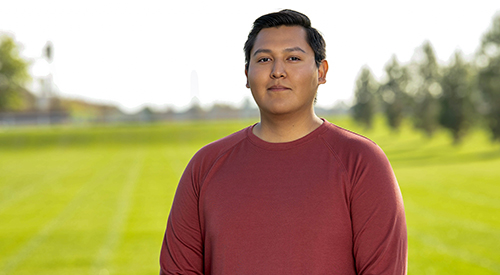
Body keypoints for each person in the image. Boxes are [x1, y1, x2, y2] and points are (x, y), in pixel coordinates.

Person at [159, 9, 407, 275]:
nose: (278, 71)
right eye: (264, 59)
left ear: (321, 71)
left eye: (293, 58)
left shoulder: (361, 161)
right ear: (246, 74)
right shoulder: (205, 166)